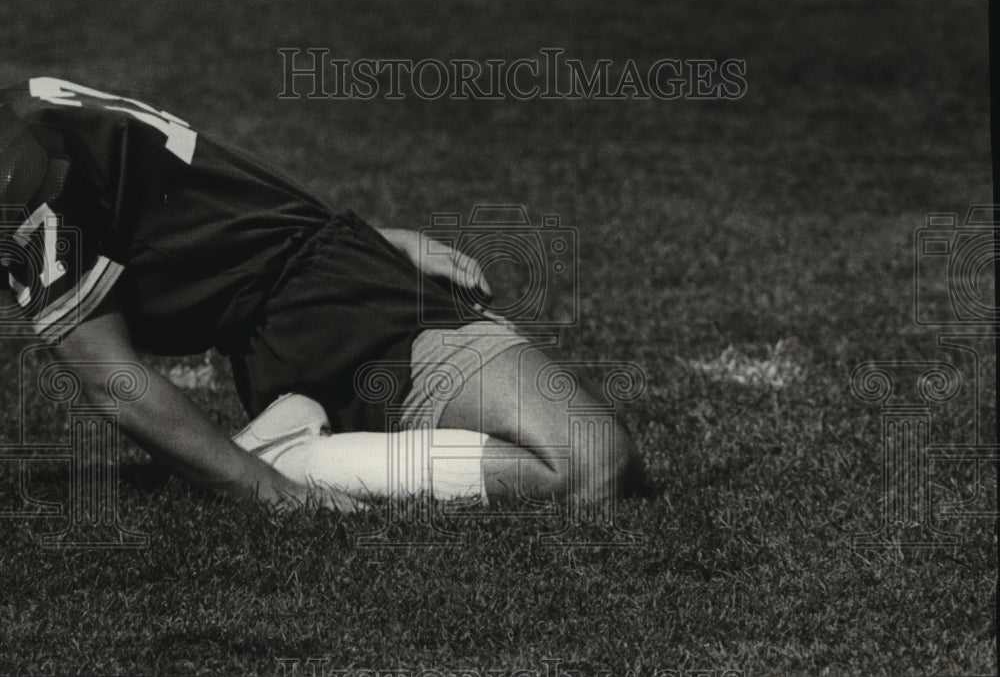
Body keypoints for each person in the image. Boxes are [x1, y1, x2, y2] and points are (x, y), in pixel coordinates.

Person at [0, 76, 641, 510]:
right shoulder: (24, 141)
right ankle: (302, 462)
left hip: (324, 299)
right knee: (590, 463)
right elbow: (114, 382)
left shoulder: (25, 145)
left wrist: (367, 241)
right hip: (336, 304)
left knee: (586, 459)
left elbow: (188, 209)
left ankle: (309, 451)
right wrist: (275, 494)